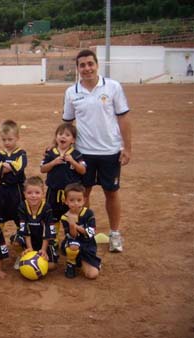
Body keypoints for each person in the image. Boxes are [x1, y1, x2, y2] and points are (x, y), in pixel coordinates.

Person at [63, 49, 131, 253]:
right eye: (82, 65)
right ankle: (85, 233)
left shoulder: (113, 87)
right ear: (77, 68)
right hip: (84, 153)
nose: (87, 68)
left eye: (90, 64)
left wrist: (127, 147)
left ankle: (115, 234)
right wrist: (58, 146)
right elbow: (67, 123)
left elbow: (123, 118)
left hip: (110, 152)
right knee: (84, 194)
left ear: (97, 65)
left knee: (112, 192)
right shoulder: (71, 92)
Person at [40, 123, 86, 242]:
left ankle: (70, 240)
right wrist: (53, 162)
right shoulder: (50, 153)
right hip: (53, 192)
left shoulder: (76, 154)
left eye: (67, 135)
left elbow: (83, 170)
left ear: (73, 140)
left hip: (70, 194)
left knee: (70, 217)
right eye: (60, 134)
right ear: (56, 137)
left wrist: (73, 162)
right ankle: (52, 241)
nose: (63, 137)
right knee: (52, 217)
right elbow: (42, 168)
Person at [14, 176, 58, 271]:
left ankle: (38, 262)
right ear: (24, 194)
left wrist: (43, 250)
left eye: (37, 192)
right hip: (28, 238)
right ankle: (21, 257)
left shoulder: (47, 208)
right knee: (16, 242)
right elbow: (25, 229)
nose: (33, 196)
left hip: (43, 239)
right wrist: (30, 249)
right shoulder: (22, 206)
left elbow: (48, 230)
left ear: (43, 193)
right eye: (29, 193)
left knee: (52, 266)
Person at [60, 183, 101, 279]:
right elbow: (72, 236)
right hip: (72, 243)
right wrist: (71, 225)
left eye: (79, 200)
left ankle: (83, 261)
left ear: (84, 200)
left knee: (92, 275)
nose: (75, 203)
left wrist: (75, 225)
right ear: (66, 201)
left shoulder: (88, 213)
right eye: (71, 200)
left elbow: (90, 233)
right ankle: (71, 263)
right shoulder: (64, 217)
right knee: (74, 244)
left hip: (87, 245)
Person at [0, 119, 27, 230]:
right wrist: (8, 166)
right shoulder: (0, 154)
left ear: (17, 138)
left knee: (19, 214)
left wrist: (8, 166)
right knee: (0, 214)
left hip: (17, 189)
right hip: (3, 189)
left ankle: (20, 236)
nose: (7, 142)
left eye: (10, 139)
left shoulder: (21, 153)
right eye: (4, 140)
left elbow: (20, 166)